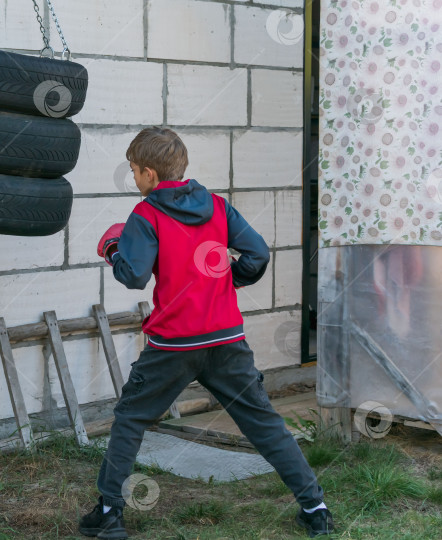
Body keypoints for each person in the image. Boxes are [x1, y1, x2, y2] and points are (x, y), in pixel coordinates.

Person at [80, 127, 333, 539]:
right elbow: (258, 253)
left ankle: (109, 513)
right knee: (264, 423)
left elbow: (134, 275)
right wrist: (227, 279)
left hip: (173, 345)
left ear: (149, 174)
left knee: (130, 419)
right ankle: (315, 507)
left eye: (133, 171)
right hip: (225, 339)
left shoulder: (146, 215)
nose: (134, 179)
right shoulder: (216, 205)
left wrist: (112, 247)